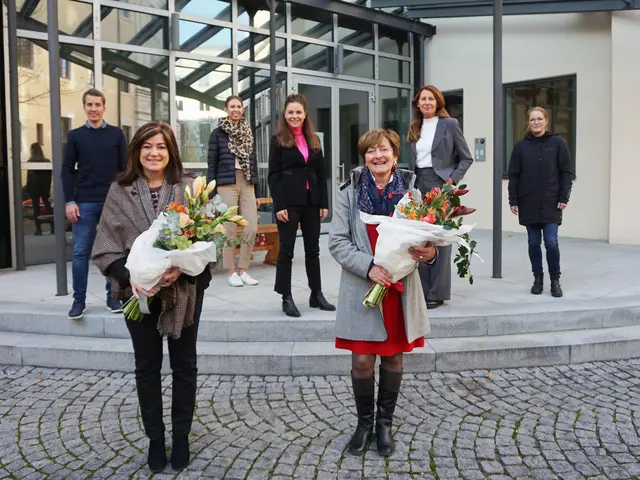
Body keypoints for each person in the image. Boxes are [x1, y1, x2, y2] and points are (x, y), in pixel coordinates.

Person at [92, 121, 211, 473]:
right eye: (147, 146)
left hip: (183, 291)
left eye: (160, 146)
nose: (154, 152)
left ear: (171, 150)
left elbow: (210, 243)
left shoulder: (190, 188)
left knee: (184, 365)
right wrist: (132, 278)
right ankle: (156, 440)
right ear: (137, 151)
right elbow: (105, 245)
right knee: (147, 367)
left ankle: (182, 437)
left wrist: (184, 268)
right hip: (137, 293)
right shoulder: (119, 189)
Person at [329, 128, 436, 457]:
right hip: (362, 285)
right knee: (362, 360)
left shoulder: (412, 194)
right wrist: (368, 266)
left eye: (384, 150)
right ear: (364, 157)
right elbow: (337, 242)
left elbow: (426, 240)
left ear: (394, 155)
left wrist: (429, 253)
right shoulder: (348, 192)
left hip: (399, 287)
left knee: (393, 357)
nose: (378, 156)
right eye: (371, 151)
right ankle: (364, 424)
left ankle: (384, 424)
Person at [61, 89, 127, 320]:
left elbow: (124, 170)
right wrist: (70, 201)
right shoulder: (76, 136)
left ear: (104, 107)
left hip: (112, 203)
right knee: (80, 253)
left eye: (97, 104)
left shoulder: (117, 134)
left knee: (114, 252)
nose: (93, 108)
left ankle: (113, 297)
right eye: (89, 104)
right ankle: (79, 300)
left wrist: (125, 200)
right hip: (85, 202)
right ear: (84, 107)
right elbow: (67, 170)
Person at [268, 93, 335, 317]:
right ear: (285, 115)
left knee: (313, 251)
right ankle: (286, 297)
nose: (294, 116)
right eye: (290, 112)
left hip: (312, 203)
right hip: (288, 202)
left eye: (298, 112)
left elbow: (320, 173)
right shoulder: (278, 140)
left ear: (305, 114)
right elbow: (274, 176)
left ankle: (316, 294)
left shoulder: (314, 140)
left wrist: (324, 202)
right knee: (286, 251)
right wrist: (279, 205)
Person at [407, 85, 473, 310]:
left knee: (440, 238)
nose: (426, 102)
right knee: (420, 237)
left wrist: (451, 181)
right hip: (418, 183)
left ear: (438, 103)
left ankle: (438, 291)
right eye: (422, 99)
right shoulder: (414, 127)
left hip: (440, 183)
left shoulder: (449, 125)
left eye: (431, 99)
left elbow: (466, 158)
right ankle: (423, 290)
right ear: (417, 103)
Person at [508, 106, 574, 298]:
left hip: (552, 202)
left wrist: (564, 196)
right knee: (533, 242)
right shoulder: (521, 147)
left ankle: (555, 280)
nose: (536, 122)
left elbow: (566, 172)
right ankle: (538, 278)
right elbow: (514, 175)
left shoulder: (558, 143)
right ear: (528, 123)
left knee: (551, 242)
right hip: (528, 201)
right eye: (532, 119)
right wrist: (514, 200)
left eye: (539, 119)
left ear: (546, 121)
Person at [207, 95, 260, 287]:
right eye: (232, 106)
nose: (236, 109)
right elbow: (211, 164)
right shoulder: (217, 133)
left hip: (247, 183)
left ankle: (244, 269)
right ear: (226, 109)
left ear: (243, 109)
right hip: (226, 183)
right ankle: (231, 271)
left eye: (239, 106)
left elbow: (253, 163)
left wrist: (257, 192)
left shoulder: (247, 131)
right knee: (228, 229)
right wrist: (211, 194)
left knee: (251, 227)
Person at [26, 143, 53, 236]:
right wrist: (48, 187)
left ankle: (39, 230)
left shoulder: (30, 161)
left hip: (34, 189)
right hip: (45, 188)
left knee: (36, 208)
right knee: (48, 207)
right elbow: (50, 177)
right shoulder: (47, 161)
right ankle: (53, 228)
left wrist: (28, 189)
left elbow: (29, 177)